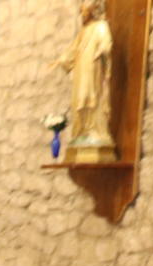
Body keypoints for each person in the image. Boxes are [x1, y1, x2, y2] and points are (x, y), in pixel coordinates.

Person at [54, 0, 115, 153]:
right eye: (81, 12)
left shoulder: (101, 26)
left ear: (92, 11)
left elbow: (107, 43)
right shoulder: (83, 32)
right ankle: (83, 131)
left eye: (85, 12)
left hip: (93, 67)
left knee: (92, 97)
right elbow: (73, 50)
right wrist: (62, 59)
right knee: (79, 99)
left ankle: (95, 131)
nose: (82, 15)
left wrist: (102, 50)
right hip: (81, 70)